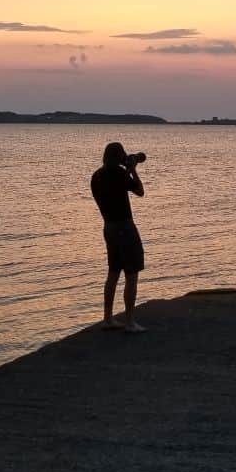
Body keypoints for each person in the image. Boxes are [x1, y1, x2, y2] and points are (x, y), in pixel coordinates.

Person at [90, 141, 146, 332]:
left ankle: (108, 318)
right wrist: (133, 170)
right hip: (125, 227)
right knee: (132, 274)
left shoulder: (96, 176)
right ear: (119, 157)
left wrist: (127, 168)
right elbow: (140, 191)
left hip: (109, 228)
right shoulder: (120, 174)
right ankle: (130, 321)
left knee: (113, 273)